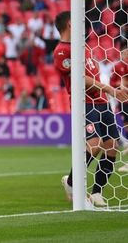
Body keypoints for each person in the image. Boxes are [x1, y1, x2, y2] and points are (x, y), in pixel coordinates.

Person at [54, 11, 128, 206]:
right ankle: (72, 183)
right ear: (70, 23)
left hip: (102, 103)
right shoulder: (61, 51)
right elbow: (80, 78)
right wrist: (109, 89)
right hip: (84, 103)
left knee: (111, 148)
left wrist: (110, 90)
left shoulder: (83, 45)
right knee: (94, 144)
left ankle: (97, 192)